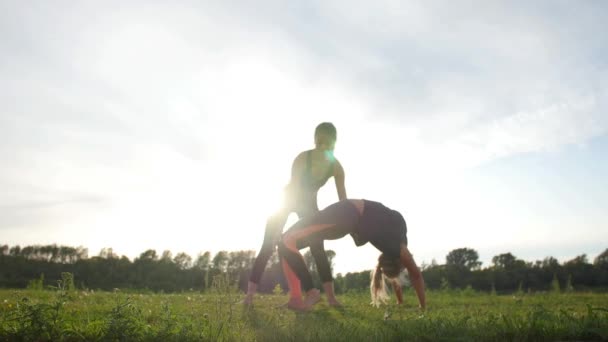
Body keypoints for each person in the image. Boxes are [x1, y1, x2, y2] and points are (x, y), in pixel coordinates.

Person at [243, 122, 347, 306]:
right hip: (288, 199)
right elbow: (295, 191)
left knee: (317, 247)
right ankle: (249, 297)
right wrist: (279, 225)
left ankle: (330, 298)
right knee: (268, 245)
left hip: (308, 204)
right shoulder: (303, 159)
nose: (323, 144)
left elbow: (343, 203)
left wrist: (345, 223)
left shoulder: (336, 167)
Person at [277, 199, 426, 312]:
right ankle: (297, 298)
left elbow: (406, 275)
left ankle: (309, 293)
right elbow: (415, 275)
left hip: (346, 213)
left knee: (286, 240)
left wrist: (410, 304)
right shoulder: (396, 248)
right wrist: (421, 307)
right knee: (285, 241)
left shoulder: (395, 244)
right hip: (346, 216)